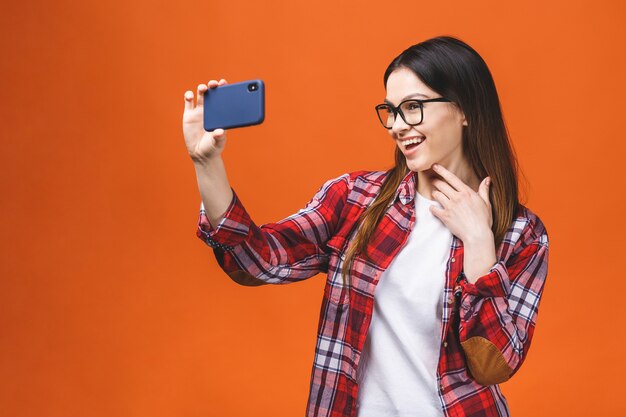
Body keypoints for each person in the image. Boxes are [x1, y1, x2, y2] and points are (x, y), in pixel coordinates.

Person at [182, 35, 549, 417]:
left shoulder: (521, 232)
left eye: (413, 107)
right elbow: (257, 262)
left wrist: (478, 241)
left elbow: (494, 365)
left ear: (464, 109)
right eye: (391, 111)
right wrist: (206, 165)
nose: (396, 125)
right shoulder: (356, 199)